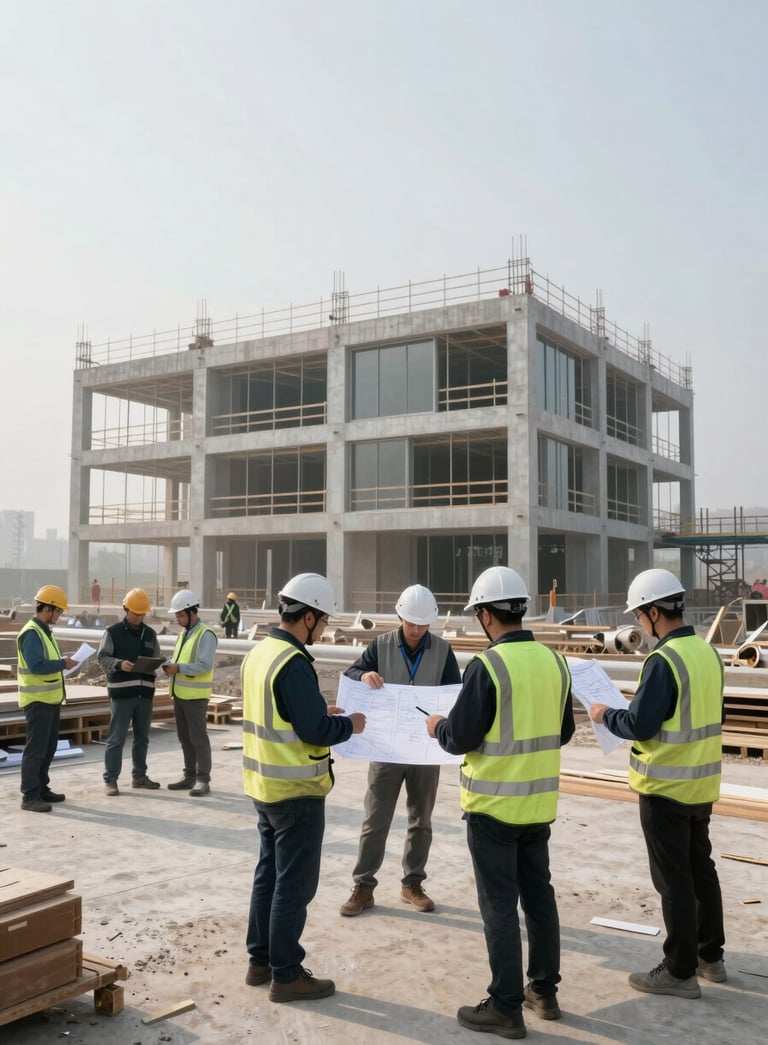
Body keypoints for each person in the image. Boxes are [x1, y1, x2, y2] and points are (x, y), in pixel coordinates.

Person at [426, 566, 574, 1039]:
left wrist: (437, 727)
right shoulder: (555, 662)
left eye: (477, 616)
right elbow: (565, 731)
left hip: (492, 808)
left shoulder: (487, 667)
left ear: (487, 614)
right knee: (539, 898)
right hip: (537, 806)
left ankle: (506, 1005)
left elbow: (460, 737)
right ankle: (543, 991)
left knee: (498, 907)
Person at [589, 568, 726, 1000]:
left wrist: (604, 715)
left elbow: (642, 725)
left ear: (651, 612)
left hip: (665, 788)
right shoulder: (708, 653)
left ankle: (679, 971)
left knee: (674, 881)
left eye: (639, 617)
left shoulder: (663, 661)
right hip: (701, 785)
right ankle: (710, 958)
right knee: (701, 871)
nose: (639, 628)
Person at [241, 573, 366, 1002]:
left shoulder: (261, 653)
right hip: (296, 792)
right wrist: (348, 724)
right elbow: (313, 730)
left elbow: (288, 714)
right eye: (324, 621)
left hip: (263, 785)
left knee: (268, 876)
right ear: (308, 616)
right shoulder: (293, 662)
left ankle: (260, 961)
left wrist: (319, 711)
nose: (326, 628)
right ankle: (287, 973)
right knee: (293, 886)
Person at [339, 584, 461, 917]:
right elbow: (351, 674)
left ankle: (412, 883)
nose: (417, 629)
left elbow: (454, 693)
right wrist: (365, 675)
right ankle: (363, 887)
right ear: (400, 616)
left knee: (421, 821)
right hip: (386, 749)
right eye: (411, 623)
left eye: (423, 624)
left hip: (424, 750)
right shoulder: (380, 645)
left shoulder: (442, 650)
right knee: (375, 820)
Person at [16, 585, 77, 813]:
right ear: (48, 608)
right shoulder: (32, 633)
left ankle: (41, 788)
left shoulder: (44, 631)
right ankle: (29, 796)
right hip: (38, 702)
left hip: (50, 700)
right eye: (59, 611)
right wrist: (64, 663)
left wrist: (63, 664)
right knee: (36, 750)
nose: (59, 616)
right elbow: (37, 666)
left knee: (49, 747)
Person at [98, 588, 163, 796]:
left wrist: (158, 665)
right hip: (122, 694)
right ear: (126, 610)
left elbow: (156, 658)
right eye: (135, 614)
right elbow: (102, 657)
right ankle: (111, 780)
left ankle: (139, 776)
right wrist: (118, 664)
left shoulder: (150, 634)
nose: (139, 618)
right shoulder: (112, 632)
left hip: (144, 695)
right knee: (116, 739)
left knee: (142, 738)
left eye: (142, 614)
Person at [162, 589, 218, 795]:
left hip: (195, 698)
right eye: (176, 615)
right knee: (185, 738)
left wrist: (180, 669)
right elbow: (181, 660)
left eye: (180, 615)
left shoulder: (206, 634)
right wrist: (169, 666)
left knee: (199, 739)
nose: (177, 619)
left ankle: (203, 778)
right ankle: (189, 776)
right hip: (180, 695)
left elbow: (205, 664)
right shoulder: (184, 634)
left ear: (192, 612)